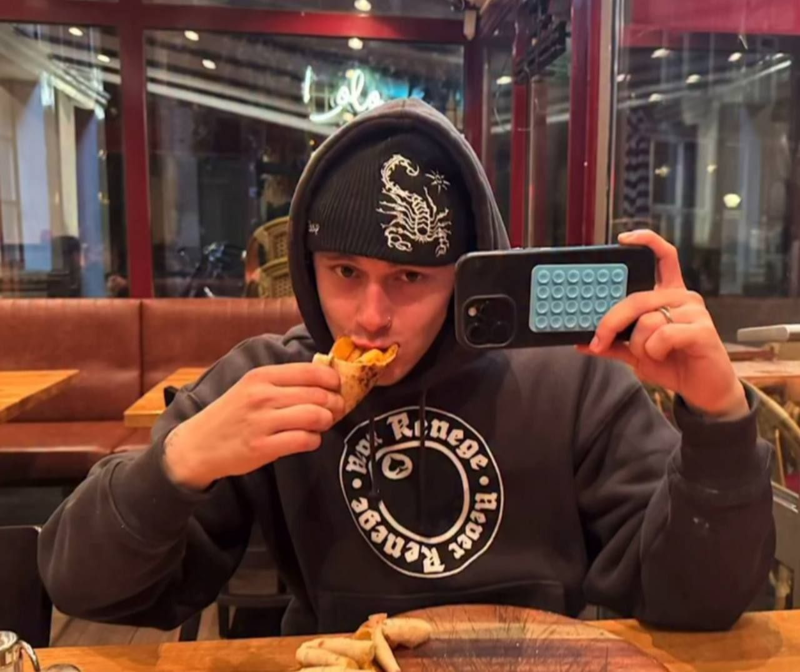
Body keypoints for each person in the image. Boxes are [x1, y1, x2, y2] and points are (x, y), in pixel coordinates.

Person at [39, 99, 774, 636]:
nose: (370, 317)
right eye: (345, 272)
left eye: (411, 277)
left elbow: (701, 604)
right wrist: (176, 465)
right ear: (308, 267)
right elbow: (81, 587)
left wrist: (718, 419)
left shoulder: (573, 381)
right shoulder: (265, 381)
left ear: (464, 274)